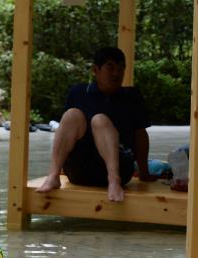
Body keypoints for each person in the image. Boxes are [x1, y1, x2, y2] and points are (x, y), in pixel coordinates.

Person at [37, 46, 157, 202]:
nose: (116, 73)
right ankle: (52, 176)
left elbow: (140, 134)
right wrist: (60, 169)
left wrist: (144, 172)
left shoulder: (132, 96)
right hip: (80, 170)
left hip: (119, 169)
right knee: (72, 115)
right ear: (95, 70)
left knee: (100, 120)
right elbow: (65, 131)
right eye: (110, 67)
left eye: (121, 68)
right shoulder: (78, 92)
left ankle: (114, 182)